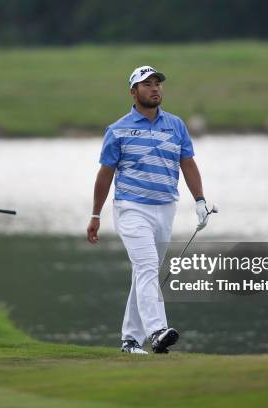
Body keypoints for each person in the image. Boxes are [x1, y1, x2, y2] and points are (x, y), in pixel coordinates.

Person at [87, 66, 212, 354]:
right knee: (146, 268)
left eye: (157, 83)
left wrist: (200, 200)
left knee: (145, 273)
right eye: (147, 84)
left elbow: (188, 163)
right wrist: (95, 215)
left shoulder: (176, 126)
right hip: (131, 207)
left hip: (166, 207)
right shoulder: (117, 130)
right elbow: (105, 175)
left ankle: (130, 340)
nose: (154, 88)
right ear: (133, 91)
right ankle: (157, 330)